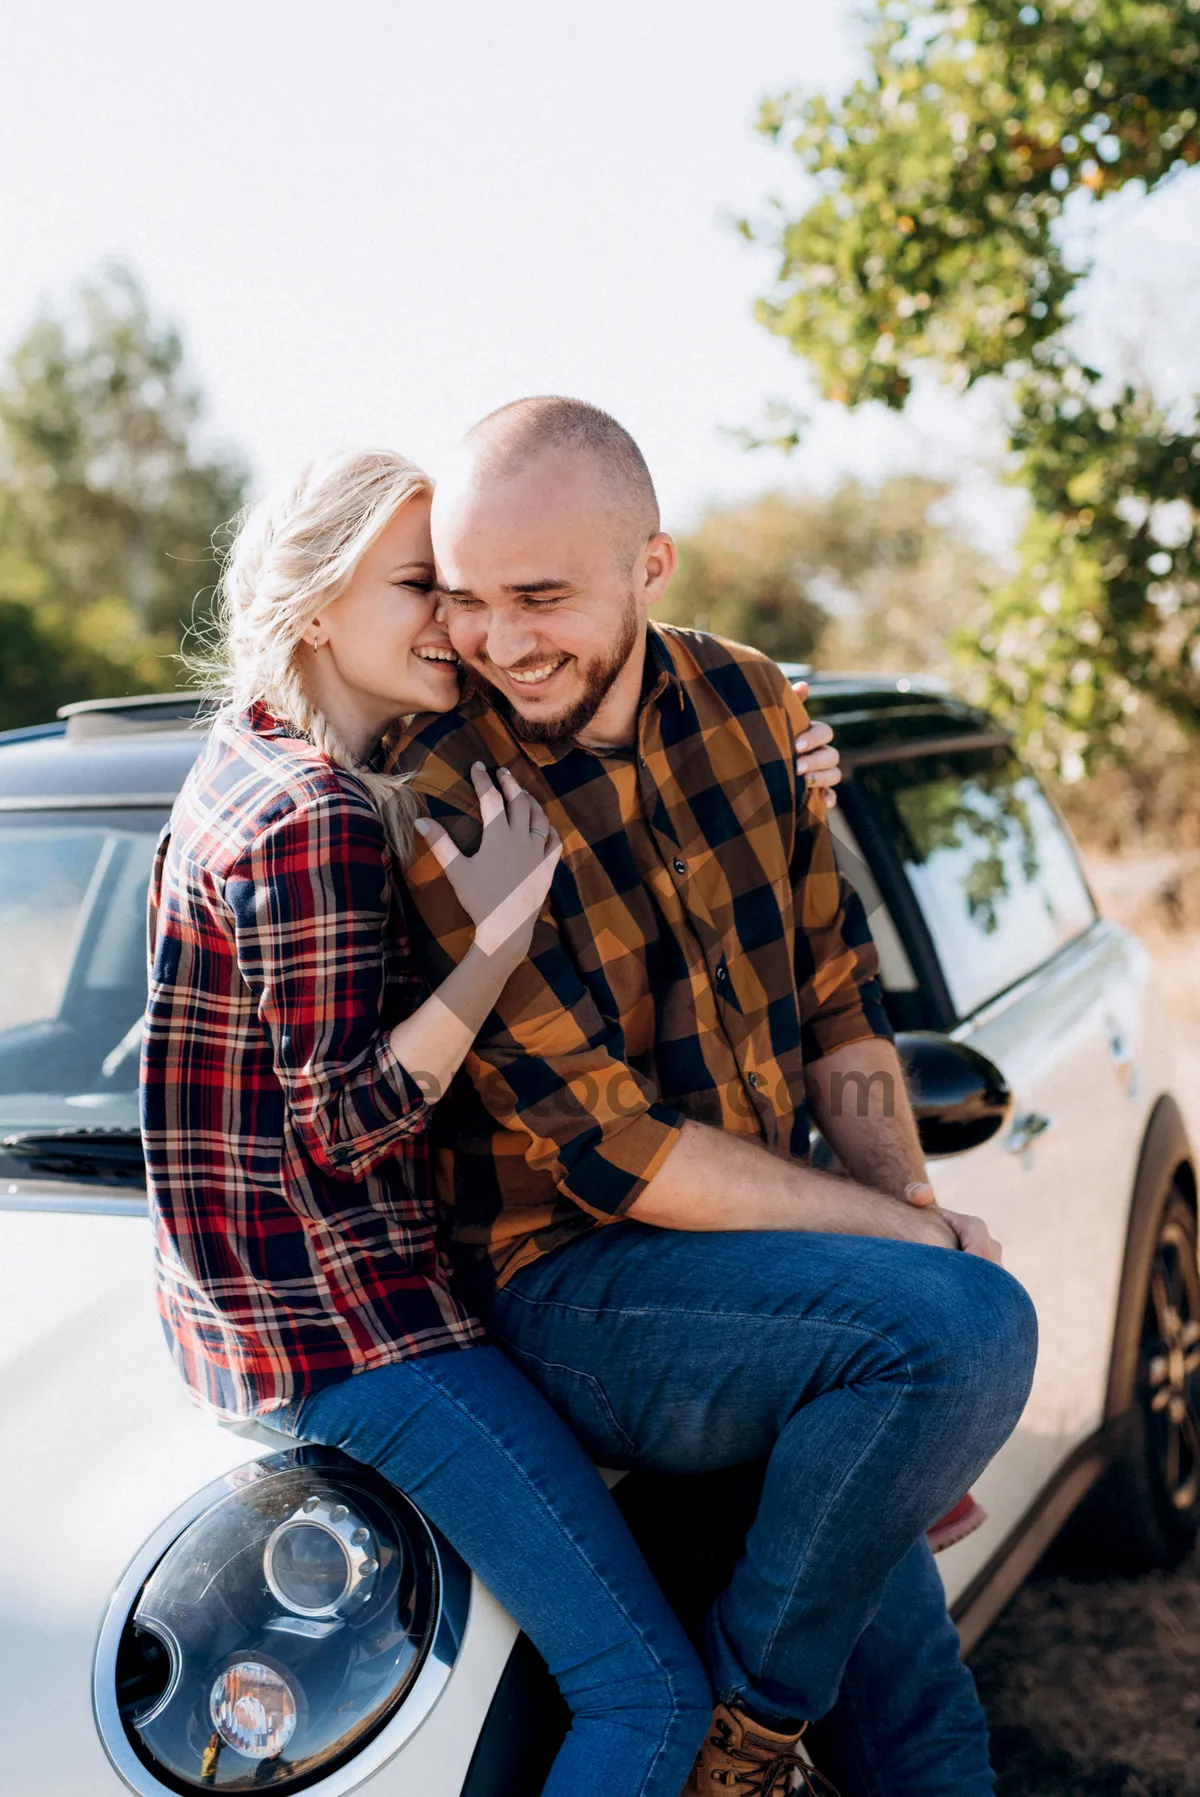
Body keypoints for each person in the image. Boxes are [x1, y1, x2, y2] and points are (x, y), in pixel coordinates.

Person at [393, 398, 1040, 1797]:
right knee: (968, 1321)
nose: (502, 643)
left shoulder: (753, 704)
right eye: (468, 600)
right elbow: (614, 1153)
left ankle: (745, 1733)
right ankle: (745, 1736)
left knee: (927, 1726)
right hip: (570, 1283)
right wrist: (919, 1283)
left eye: (543, 596)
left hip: (769, 1276)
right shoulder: (448, 787)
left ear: (652, 567)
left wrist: (903, 1243)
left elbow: (839, 1002)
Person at [139, 449, 720, 1797]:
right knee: (648, 1692)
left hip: (242, 1333)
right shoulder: (312, 819)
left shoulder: (237, 761)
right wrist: (497, 936)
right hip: (357, 1334)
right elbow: (345, 1126)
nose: (459, 627)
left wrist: (773, 725)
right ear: (318, 599)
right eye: (424, 587)